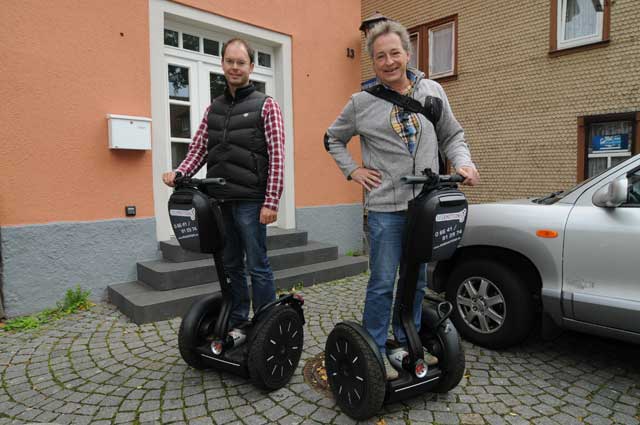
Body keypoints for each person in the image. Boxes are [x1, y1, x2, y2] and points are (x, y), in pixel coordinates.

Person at [324, 21, 479, 380]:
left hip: (426, 207)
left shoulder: (433, 92)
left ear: (407, 54)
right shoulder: (361, 103)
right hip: (385, 209)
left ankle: (404, 339)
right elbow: (332, 139)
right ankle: (374, 349)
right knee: (382, 280)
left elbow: (452, 136)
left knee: (417, 278)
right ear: (373, 62)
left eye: (395, 53)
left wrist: (464, 163)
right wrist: (354, 172)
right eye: (380, 56)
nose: (389, 61)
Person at [162, 38, 285, 329]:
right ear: (222, 64)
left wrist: (271, 201)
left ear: (251, 67)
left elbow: (277, 156)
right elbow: (198, 150)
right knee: (230, 265)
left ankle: (266, 324)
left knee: (257, 265)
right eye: (230, 61)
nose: (234, 67)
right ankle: (239, 319)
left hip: (252, 201)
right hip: (219, 200)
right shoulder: (213, 109)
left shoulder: (266, 106)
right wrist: (180, 173)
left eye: (241, 62)